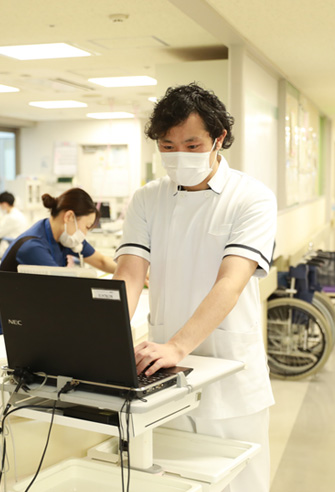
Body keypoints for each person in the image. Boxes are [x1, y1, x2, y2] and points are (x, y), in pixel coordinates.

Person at [113, 83, 276, 492]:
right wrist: (105, 343)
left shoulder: (251, 197)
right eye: (167, 147)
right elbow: (129, 275)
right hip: (165, 375)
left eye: (191, 145)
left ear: (218, 138)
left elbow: (230, 283)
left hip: (230, 377)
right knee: (173, 482)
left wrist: (177, 346)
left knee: (241, 483)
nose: (179, 156)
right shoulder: (147, 199)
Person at [0, 187, 117, 338]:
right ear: (69, 217)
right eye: (86, 227)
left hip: (18, 319)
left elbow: (102, 261)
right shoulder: (33, 247)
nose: (84, 234)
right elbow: (64, 291)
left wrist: (131, 272)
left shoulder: (65, 237)